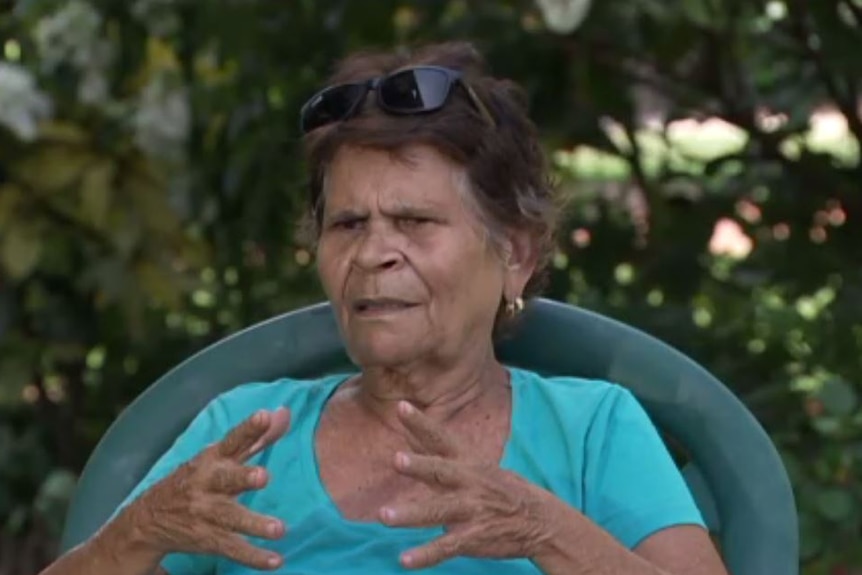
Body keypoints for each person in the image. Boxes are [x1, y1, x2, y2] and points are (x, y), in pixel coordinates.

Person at [40, 42, 729, 575]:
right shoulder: (246, 433)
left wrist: (540, 527)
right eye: (346, 225)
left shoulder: (589, 428)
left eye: (415, 221)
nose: (373, 254)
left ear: (515, 252)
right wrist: (136, 532)